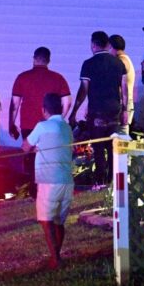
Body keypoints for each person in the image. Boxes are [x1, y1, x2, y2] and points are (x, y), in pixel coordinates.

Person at [10, 46, 72, 196]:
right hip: (51, 127)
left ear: (34, 59)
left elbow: (15, 104)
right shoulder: (58, 78)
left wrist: (11, 124)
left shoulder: (22, 77)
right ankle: (48, 190)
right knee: (49, 156)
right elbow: (68, 102)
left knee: (31, 158)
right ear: (48, 60)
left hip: (28, 125)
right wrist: (59, 118)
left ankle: (33, 191)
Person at [69, 31, 128, 188]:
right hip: (114, 112)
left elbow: (83, 90)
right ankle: (112, 182)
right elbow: (124, 88)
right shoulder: (118, 64)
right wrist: (125, 110)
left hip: (97, 113)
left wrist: (74, 111)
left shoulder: (88, 64)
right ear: (108, 44)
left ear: (93, 44)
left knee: (99, 148)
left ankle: (100, 181)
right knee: (112, 147)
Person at [22, 93, 74, 270]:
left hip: (48, 179)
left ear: (44, 110)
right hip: (66, 180)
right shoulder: (67, 127)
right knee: (59, 221)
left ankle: (55, 259)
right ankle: (57, 256)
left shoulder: (42, 126)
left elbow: (25, 146)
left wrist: (35, 147)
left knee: (46, 220)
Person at [109, 34, 136, 135]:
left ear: (111, 46)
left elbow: (118, 84)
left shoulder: (121, 61)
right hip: (123, 103)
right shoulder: (125, 59)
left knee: (121, 136)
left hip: (122, 104)